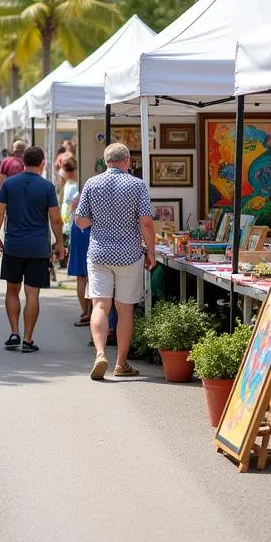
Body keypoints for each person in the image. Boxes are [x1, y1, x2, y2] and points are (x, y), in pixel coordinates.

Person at [75, 142, 156, 380]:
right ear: (128, 161)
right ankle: (121, 363)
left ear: (105, 161)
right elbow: (146, 222)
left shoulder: (92, 183)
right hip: (129, 254)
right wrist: (150, 251)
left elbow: (80, 221)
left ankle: (100, 353)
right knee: (125, 309)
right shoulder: (137, 185)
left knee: (100, 305)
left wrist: (102, 222)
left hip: (99, 253)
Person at [0, 145, 64, 354]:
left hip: (13, 245)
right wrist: (59, 243)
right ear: (43, 163)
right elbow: (55, 218)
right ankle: (28, 339)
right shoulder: (47, 187)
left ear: (22, 162)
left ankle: (14, 333)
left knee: (11, 290)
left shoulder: (9, 184)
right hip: (38, 247)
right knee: (32, 294)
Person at [60, 156, 91, 327]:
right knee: (91, 273)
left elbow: (72, 210)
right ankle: (90, 311)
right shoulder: (85, 185)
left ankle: (85, 311)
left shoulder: (74, 187)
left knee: (82, 274)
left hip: (77, 228)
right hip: (89, 228)